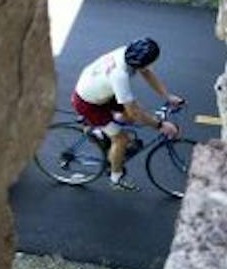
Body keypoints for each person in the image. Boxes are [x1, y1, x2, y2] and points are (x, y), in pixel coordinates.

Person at [72, 37, 183, 190]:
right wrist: (160, 125)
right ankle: (116, 178)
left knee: (128, 117)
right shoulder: (120, 76)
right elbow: (135, 111)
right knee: (122, 139)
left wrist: (167, 96)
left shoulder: (128, 53)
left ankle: (102, 133)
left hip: (99, 89)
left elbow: (147, 72)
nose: (153, 65)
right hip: (89, 103)